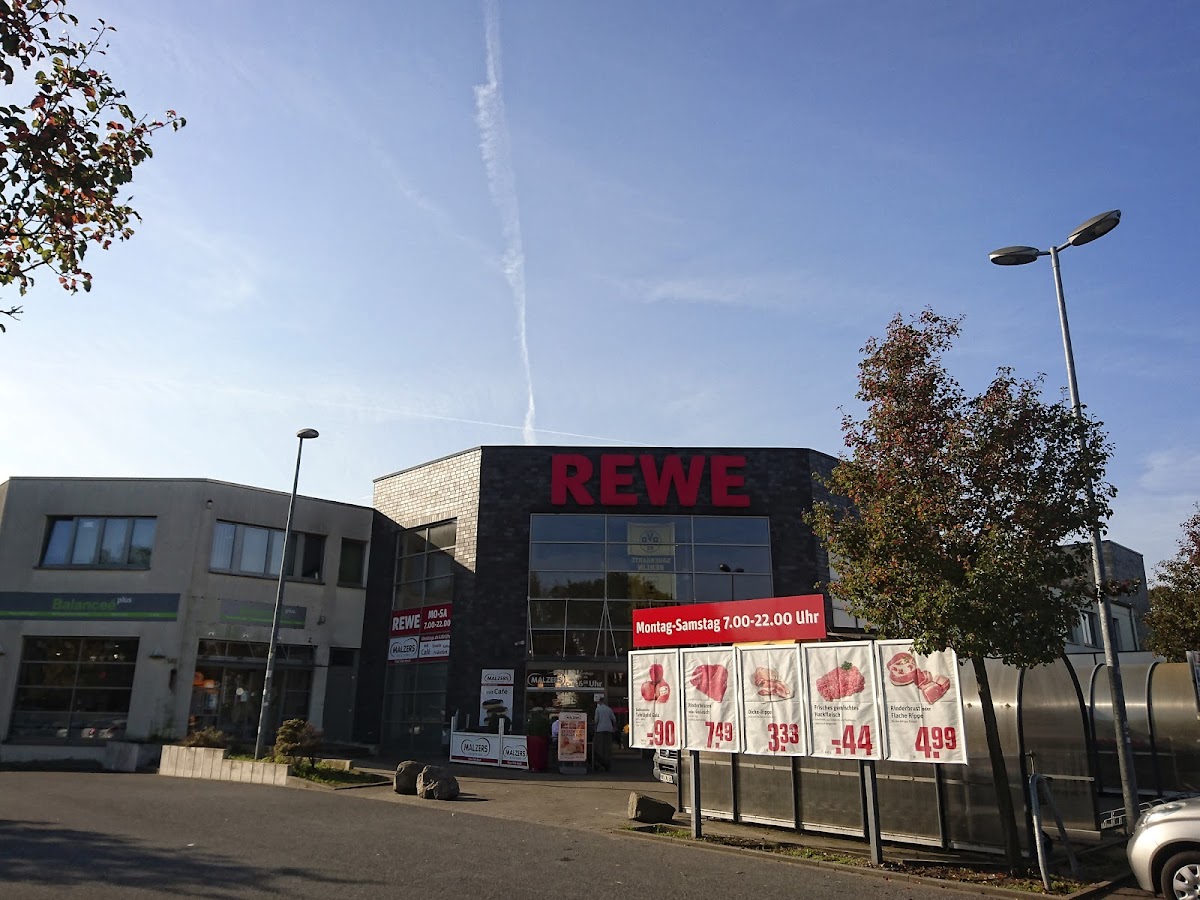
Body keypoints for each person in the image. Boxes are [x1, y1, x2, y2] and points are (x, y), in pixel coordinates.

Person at [592, 698, 617, 772]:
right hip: (609, 729)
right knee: (607, 747)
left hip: (600, 729)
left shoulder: (598, 709)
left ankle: (601, 763)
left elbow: (596, 719)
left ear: (600, 702)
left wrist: (595, 728)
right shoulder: (609, 709)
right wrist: (614, 727)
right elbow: (614, 719)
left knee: (600, 747)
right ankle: (607, 763)